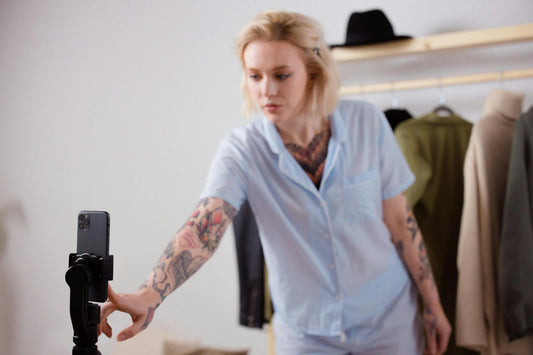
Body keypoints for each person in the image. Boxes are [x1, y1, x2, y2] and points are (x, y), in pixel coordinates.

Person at [99, 10, 451, 354]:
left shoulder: (368, 124)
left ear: (312, 74)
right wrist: (149, 294)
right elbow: (205, 226)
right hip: (306, 336)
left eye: (281, 75)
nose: (266, 90)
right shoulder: (242, 150)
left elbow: (401, 223)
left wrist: (432, 303)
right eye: (255, 76)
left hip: (389, 322)